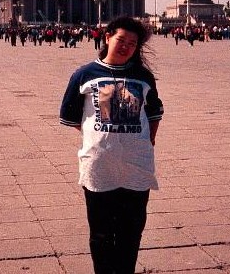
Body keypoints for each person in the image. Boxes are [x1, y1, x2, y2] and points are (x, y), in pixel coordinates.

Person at [60, 17, 164, 274]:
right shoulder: (84, 74)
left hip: (136, 168)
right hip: (99, 167)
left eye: (132, 43)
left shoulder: (142, 76)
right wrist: (98, 138)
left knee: (131, 233)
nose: (126, 46)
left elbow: (154, 114)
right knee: (101, 234)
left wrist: (144, 141)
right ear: (107, 37)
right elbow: (71, 116)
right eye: (121, 40)